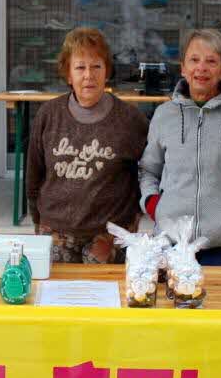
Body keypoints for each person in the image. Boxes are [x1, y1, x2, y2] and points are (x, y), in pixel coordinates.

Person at [26, 28, 149, 264]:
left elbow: (148, 171)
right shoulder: (49, 115)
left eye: (96, 67)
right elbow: (34, 175)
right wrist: (38, 222)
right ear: (68, 74)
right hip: (56, 229)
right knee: (54, 286)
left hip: (109, 233)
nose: (89, 75)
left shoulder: (130, 119)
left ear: (107, 71)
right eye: (80, 67)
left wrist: (132, 221)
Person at [138, 29, 221, 266]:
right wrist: (154, 205)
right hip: (171, 241)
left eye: (211, 61)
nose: (201, 68)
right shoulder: (164, 114)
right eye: (194, 60)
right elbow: (149, 170)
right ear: (183, 68)